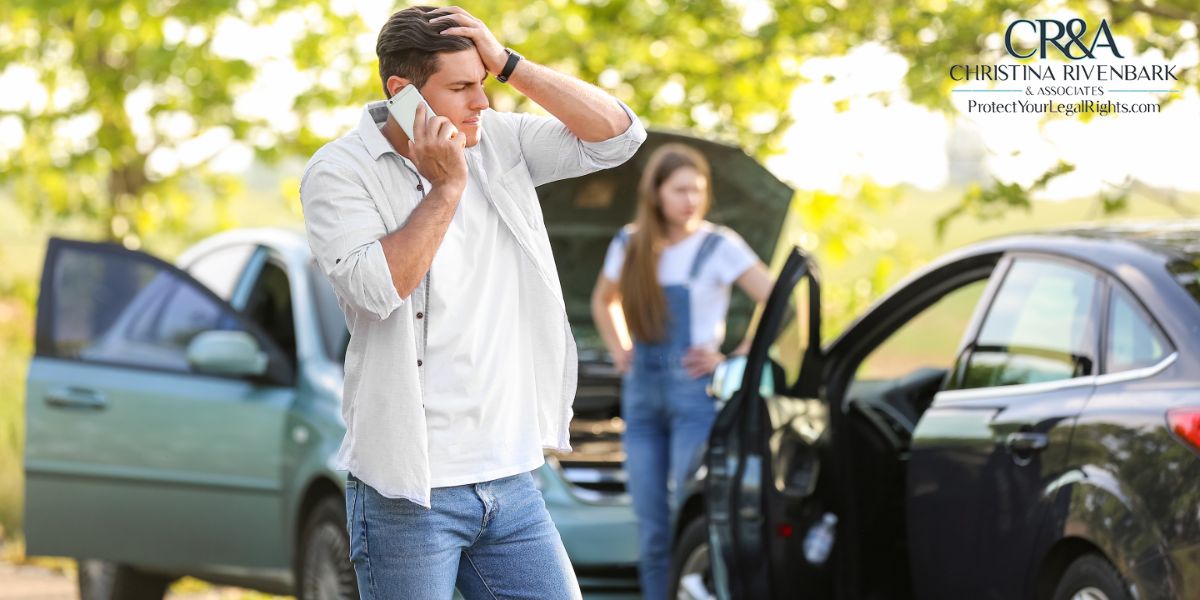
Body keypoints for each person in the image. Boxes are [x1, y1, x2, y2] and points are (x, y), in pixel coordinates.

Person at [299, 6, 646, 599]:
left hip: (511, 480)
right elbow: (378, 287)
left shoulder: (501, 141)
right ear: (402, 94)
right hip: (408, 491)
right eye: (461, 88)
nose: (480, 103)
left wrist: (511, 64)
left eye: (482, 83)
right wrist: (448, 187)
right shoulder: (338, 171)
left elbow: (619, 138)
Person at [590, 143, 773, 600]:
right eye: (680, 190)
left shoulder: (719, 245)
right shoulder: (630, 242)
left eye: (698, 190)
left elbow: (777, 297)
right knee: (651, 525)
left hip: (696, 398)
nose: (691, 200)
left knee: (687, 516)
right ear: (656, 193)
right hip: (642, 396)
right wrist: (620, 348)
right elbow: (603, 299)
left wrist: (735, 357)